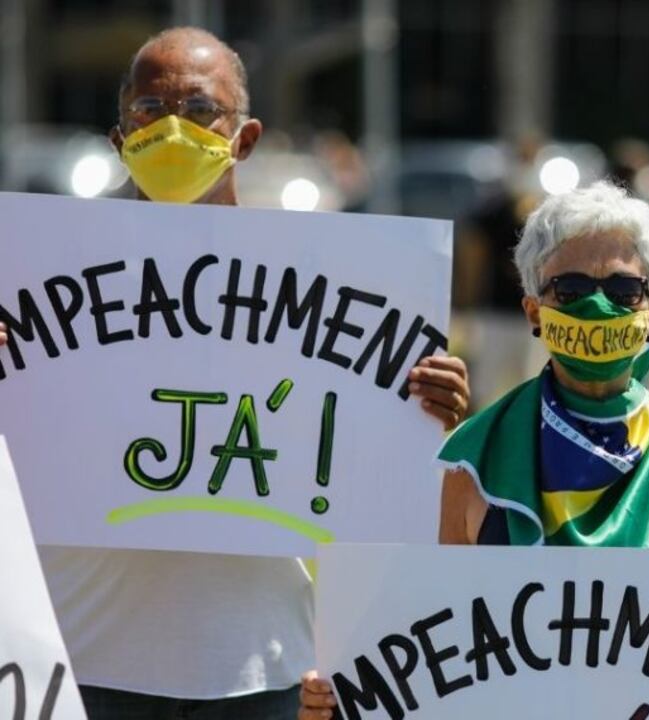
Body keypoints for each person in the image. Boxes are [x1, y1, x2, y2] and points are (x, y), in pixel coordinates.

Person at [298, 181, 649, 719]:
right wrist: (342, 694)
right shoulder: (476, 459)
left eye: (622, 290)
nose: (598, 307)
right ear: (534, 314)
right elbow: (436, 641)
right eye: (570, 290)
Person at [34, 27, 469, 719]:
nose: (173, 127)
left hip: (261, 666)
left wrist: (425, 420)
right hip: (84, 659)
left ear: (246, 137)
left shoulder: (327, 286)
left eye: (201, 110)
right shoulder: (44, 279)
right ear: (119, 139)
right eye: (149, 109)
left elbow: (385, 495)